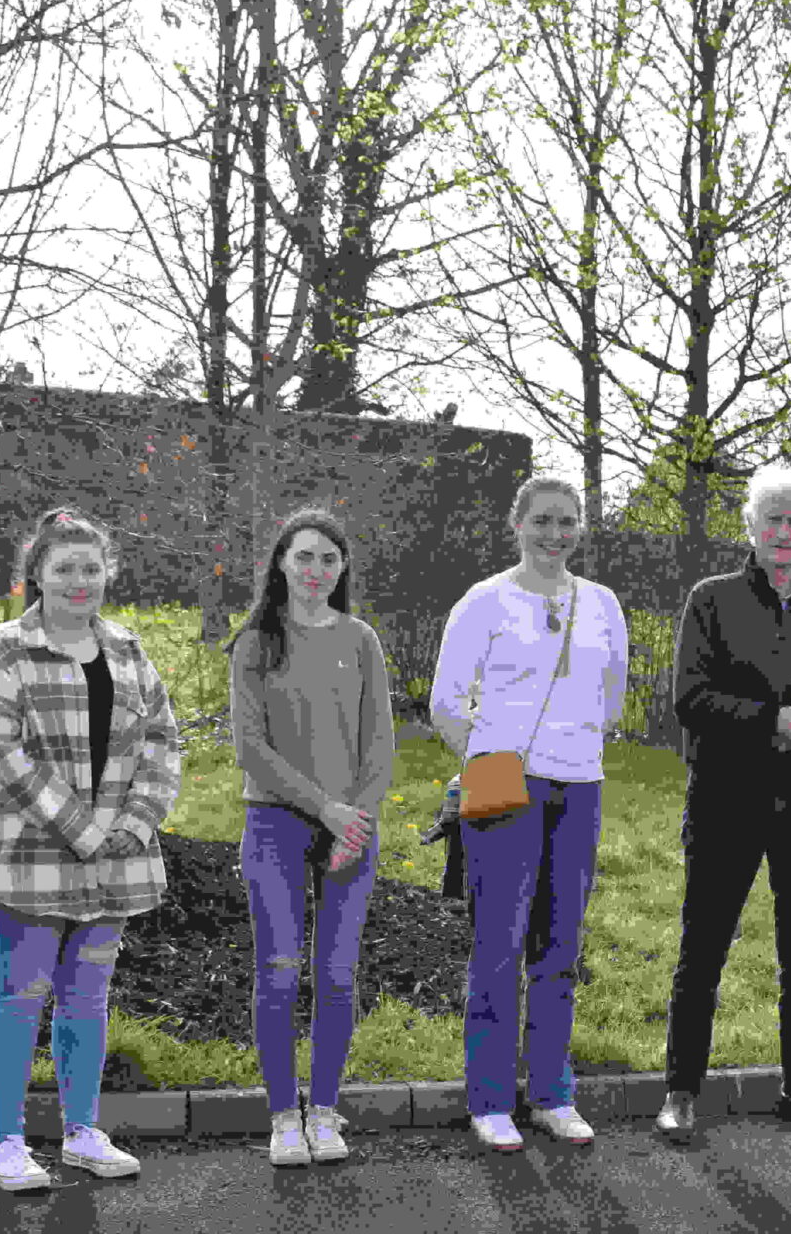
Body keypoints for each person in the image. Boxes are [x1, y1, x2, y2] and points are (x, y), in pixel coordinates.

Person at [0, 509, 182, 1192]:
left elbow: (162, 741)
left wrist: (137, 821)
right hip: (29, 856)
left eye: (92, 567)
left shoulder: (127, 649)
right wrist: (86, 829)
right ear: (38, 574)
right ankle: (5, 1141)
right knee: (21, 991)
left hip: (115, 858)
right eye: (65, 568)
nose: (80, 581)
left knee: (87, 997)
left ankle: (82, 1131)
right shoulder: (2, 650)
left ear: (108, 571)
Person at [658, 465, 791, 1141]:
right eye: (772, 519)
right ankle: (680, 1091)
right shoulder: (711, 600)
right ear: (750, 526)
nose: (784, 532)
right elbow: (689, 698)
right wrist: (774, 719)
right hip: (726, 797)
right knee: (703, 949)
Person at [430, 476, 629, 1153]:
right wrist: (488, 763)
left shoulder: (602, 604)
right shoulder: (483, 601)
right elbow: (446, 701)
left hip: (580, 786)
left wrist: (570, 748)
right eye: (542, 520)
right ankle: (489, 1098)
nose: (555, 533)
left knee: (559, 947)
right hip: (505, 790)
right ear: (517, 524)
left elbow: (612, 698)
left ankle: (551, 1091)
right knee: (498, 944)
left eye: (567, 521)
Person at [231, 509, 395, 1167]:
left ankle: (325, 1110)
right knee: (278, 970)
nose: (316, 570)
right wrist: (323, 807)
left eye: (329, 559)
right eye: (304, 557)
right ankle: (282, 1115)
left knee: (335, 974)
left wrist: (356, 818)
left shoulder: (360, 640)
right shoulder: (255, 643)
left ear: (342, 568)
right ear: (280, 563)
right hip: (276, 823)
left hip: (352, 828)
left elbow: (380, 741)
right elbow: (249, 747)